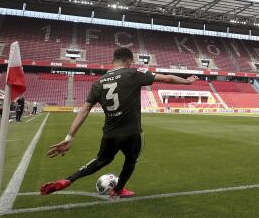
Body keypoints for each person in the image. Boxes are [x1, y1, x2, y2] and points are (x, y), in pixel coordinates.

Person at [40, 47, 199, 199]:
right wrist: (187, 82)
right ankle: (117, 190)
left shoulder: (99, 82)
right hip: (132, 132)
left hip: (110, 134)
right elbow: (167, 78)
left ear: (114, 60)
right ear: (129, 60)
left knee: (100, 161)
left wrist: (69, 137)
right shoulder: (133, 73)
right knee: (130, 161)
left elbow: (84, 109)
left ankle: (68, 180)